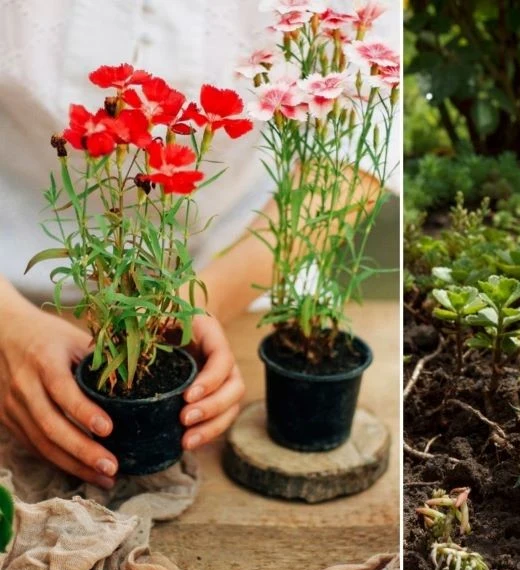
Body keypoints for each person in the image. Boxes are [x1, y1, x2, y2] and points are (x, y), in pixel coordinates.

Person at [0, 1, 401, 489]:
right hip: (14, 298)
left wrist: (199, 301)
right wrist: (7, 326)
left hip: (239, 307)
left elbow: (360, 137)